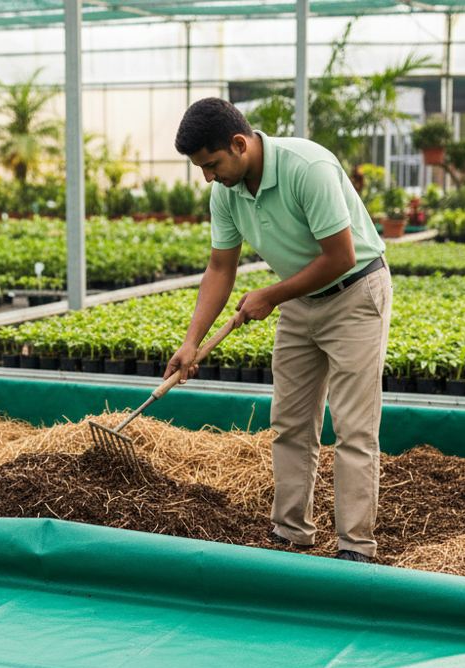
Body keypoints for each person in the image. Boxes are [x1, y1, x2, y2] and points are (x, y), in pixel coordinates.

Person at [164, 98, 392, 564]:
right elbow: (220, 268)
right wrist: (190, 342)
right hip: (299, 301)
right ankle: (290, 533)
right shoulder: (224, 192)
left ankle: (354, 547)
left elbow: (340, 257)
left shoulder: (308, 166)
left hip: (354, 293)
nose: (208, 177)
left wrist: (270, 295)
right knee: (289, 422)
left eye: (212, 165)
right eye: (200, 169)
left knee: (352, 428)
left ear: (239, 143)